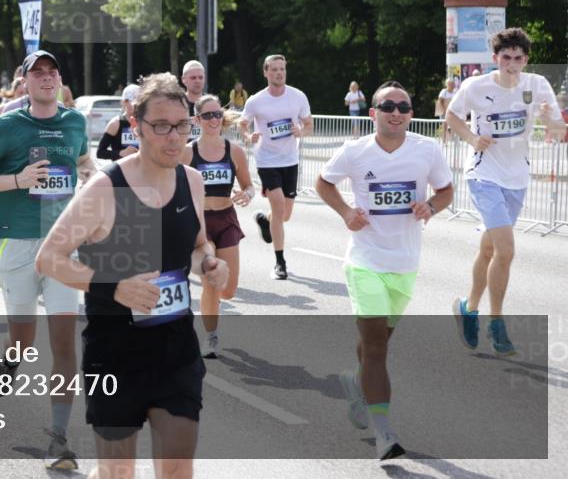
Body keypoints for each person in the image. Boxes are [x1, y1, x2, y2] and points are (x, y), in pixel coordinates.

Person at [36, 72, 228, 478]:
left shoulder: (190, 181)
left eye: (181, 126)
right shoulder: (106, 188)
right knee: (117, 473)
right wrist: (113, 287)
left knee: (178, 471)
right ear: (136, 125)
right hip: (115, 353)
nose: (173, 137)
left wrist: (209, 262)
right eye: (160, 127)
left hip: (177, 351)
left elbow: (195, 246)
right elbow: (49, 258)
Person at [0, 50, 97, 471]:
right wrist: (18, 180)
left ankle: (59, 439)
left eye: (52, 72)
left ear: (58, 80)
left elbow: (82, 161)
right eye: (37, 73)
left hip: (61, 243)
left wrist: (92, 177)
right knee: (22, 335)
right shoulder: (8, 126)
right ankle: (11, 358)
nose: (46, 78)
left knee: (63, 342)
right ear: (24, 83)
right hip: (16, 241)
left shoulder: (74, 121)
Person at [316, 81, 453, 461]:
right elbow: (323, 182)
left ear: (411, 114)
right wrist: (346, 212)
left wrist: (431, 207)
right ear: (372, 112)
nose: (396, 111)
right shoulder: (355, 151)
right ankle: (384, 433)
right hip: (365, 261)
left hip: (405, 264)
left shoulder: (427, 150)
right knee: (376, 348)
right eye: (388, 105)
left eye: (404, 106)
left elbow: (445, 191)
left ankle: (356, 383)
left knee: (378, 342)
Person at [447, 28, 566, 355]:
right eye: (506, 57)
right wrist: (472, 139)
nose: (512, 63)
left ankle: (467, 308)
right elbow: (452, 116)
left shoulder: (537, 85)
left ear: (525, 59)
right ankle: (496, 324)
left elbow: (559, 130)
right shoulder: (477, 86)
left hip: (517, 177)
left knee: (489, 250)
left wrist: (547, 121)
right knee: (506, 249)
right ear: (495, 58)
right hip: (483, 173)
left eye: (518, 58)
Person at [181, 95, 253, 358]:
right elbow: (173, 184)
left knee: (229, 290)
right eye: (207, 116)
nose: (213, 120)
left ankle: (210, 317)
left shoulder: (234, 151)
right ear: (197, 120)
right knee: (211, 280)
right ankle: (210, 336)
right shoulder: (188, 152)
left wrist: (248, 194)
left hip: (226, 219)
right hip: (200, 224)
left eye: (217, 115)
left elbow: (248, 184)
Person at [239, 54, 313, 280]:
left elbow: (309, 123)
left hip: (290, 161)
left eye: (282, 69)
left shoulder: (298, 96)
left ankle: (265, 220)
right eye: (274, 69)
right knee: (280, 206)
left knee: (284, 215)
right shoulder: (256, 100)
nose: (279, 73)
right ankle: (280, 263)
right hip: (267, 161)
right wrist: (248, 135)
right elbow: (243, 123)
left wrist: (302, 131)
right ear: (266, 72)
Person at [96, 84, 141, 161]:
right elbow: (100, 152)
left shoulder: (146, 122)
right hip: (121, 169)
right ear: (123, 102)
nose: (135, 106)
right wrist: (121, 153)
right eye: (131, 101)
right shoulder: (116, 123)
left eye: (138, 102)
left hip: (142, 169)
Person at [181, 60, 207, 141]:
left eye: (200, 77)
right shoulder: (176, 104)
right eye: (193, 78)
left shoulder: (211, 104)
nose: (197, 81)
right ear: (183, 79)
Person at [436, 78, 457, 142]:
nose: (453, 85)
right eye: (451, 84)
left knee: (453, 126)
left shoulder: (455, 92)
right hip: (444, 112)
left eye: (453, 84)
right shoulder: (443, 92)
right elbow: (440, 101)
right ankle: (444, 141)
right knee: (444, 126)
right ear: (447, 85)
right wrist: (443, 111)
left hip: (452, 112)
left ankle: (451, 140)